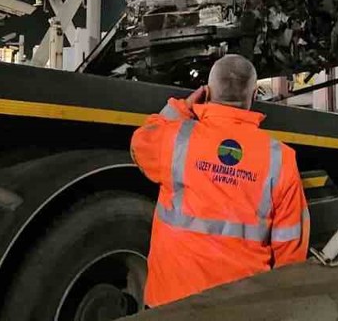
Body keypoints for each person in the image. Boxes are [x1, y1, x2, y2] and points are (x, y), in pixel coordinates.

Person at [130, 54, 309, 307]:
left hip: (170, 306)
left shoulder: (176, 139)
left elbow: (141, 141)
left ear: (207, 91)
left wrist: (182, 108)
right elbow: (290, 254)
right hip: (240, 308)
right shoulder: (281, 160)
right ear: (255, 95)